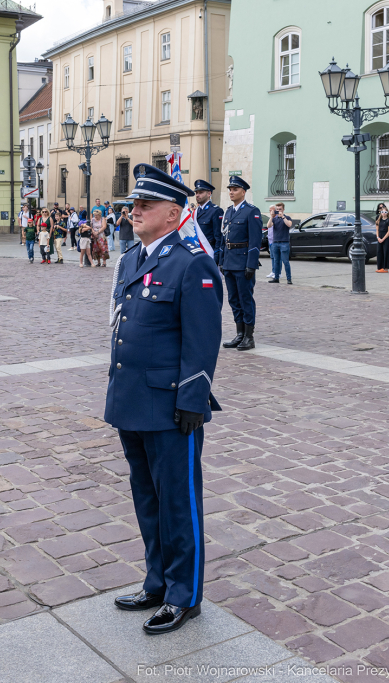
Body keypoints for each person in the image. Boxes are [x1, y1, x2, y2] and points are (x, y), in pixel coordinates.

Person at [106, 163, 222, 635]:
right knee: (147, 498)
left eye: (146, 205)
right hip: (132, 399)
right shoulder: (133, 257)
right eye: (134, 204)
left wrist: (194, 396)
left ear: (174, 213)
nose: (135, 211)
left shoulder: (192, 262)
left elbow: (202, 340)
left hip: (172, 405)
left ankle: (184, 594)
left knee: (178, 502)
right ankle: (157, 581)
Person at [219, 176, 262, 350]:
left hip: (243, 261)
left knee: (245, 299)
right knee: (233, 299)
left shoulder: (251, 211)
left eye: (235, 189)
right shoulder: (228, 211)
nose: (231, 192)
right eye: (230, 189)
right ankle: (239, 333)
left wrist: (251, 264)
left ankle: (249, 337)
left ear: (243, 192)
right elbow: (224, 239)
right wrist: (221, 261)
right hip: (229, 262)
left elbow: (255, 240)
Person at [193, 180, 222, 260]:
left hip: (209, 251)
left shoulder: (215, 211)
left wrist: (216, 256)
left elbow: (218, 237)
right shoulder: (195, 212)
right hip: (196, 251)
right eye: (196, 193)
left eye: (201, 192)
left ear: (209, 193)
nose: (197, 195)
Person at [267, 203, 292, 284]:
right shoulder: (274, 218)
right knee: (276, 261)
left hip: (284, 243)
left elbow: (289, 224)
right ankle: (276, 278)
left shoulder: (287, 217)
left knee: (285, 261)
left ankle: (289, 279)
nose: (278, 211)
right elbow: (268, 225)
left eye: (280, 209)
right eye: (277, 209)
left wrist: (283, 217)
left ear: (283, 209)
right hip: (275, 242)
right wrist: (271, 216)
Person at [375, 207, 389, 272]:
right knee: (379, 251)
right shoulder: (378, 220)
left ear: (387, 213)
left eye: (385, 212)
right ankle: (379, 267)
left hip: (385, 237)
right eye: (382, 212)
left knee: (386, 252)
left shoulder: (388, 221)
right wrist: (378, 237)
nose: (383, 213)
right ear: (380, 213)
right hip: (380, 236)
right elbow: (377, 230)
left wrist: (383, 239)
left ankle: (385, 268)